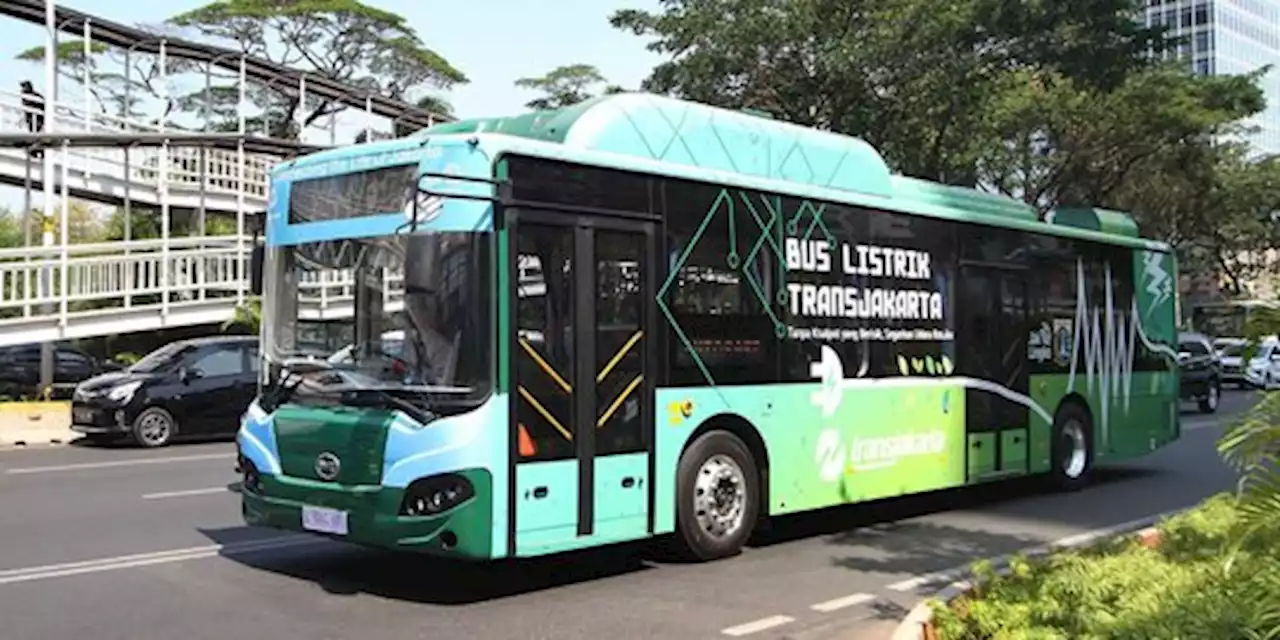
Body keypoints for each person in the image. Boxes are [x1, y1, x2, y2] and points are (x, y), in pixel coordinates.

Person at [20, 81, 44, 159]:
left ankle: (38, 151)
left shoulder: (34, 96)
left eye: (24, 87)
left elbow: (42, 105)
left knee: (35, 135)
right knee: (34, 135)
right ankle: (36, 151)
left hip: (37, 119)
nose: (23, 89)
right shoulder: (25, 96)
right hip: (31, 119)